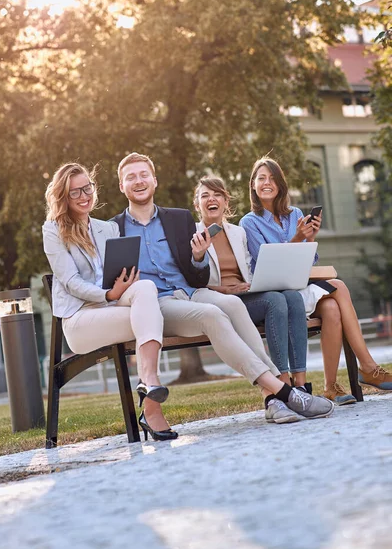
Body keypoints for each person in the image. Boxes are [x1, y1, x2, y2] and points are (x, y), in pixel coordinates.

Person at [111, 152, 334, 424]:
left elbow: (196, 276)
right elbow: (112, 282)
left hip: (192, 292)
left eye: (144, 174)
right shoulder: (113, 229)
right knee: (213, 315)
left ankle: (275, 397)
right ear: (121, 186)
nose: (138, 181)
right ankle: (284, 393)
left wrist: (198, 256)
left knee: (233, 305)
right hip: (158, 304)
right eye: (130, 177)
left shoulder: (178, 219)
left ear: (154, 180)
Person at [42, 162, 177, 442]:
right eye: (74, 192)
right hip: (81, 320)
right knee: (152, 318)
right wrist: (109, 295)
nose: (83, 196)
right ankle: (151, 407)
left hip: (113, 306)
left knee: (146, 288)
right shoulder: (53, 230)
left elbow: (118, 275)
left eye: (86, 188)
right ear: (63, 197)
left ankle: (149, 385)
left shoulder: (108, 229)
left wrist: (125, 283)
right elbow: (70, 282)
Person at [240, 156, 392, 403]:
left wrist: (310, 238)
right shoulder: (249, 222)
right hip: (279, 295)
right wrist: (298, 238)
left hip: (302, 286)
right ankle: (368, 367)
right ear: (253, 186)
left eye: (272, 178)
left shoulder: (295, 214)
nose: (267, 183)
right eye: (261, 178)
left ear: (280, 185)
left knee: (332, 308)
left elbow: (308, 262)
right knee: (339, 286)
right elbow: (272, 267)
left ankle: (331, 387)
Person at [194, 175, 312, 392]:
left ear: (226, 202)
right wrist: (223, 289)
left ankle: (302, 386)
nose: (212, 199)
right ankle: (283, 383)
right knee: (275, 300)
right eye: (205, 195)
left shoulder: (238, 232)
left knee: (293, 297)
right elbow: (190, 282)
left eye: (217, 194)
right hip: (218, 301)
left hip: (246, 296)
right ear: (197, 204)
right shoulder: (192, 235)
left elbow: (249, 269)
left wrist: (253, 284)